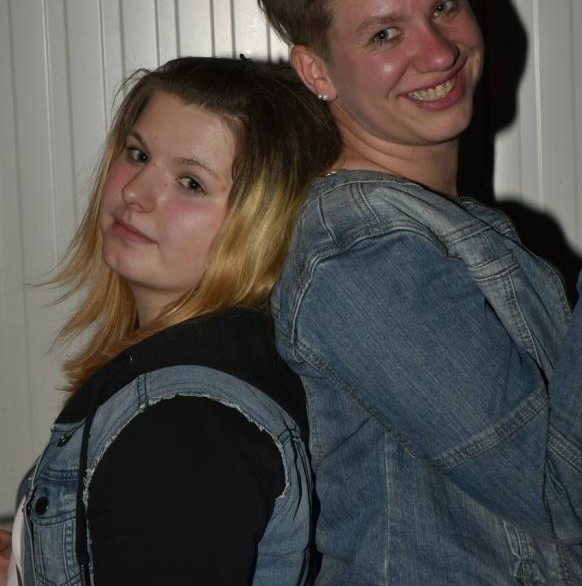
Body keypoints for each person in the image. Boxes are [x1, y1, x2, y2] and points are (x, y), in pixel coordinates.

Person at [258, 0, 582, 584]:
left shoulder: (427, 224)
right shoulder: (363, 252)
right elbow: (561, 496)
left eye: (444, 6)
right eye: (385, 34)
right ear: (317, 70)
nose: (439, 53)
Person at [0, 56, 340, 586]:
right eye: (138, 154)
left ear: (263, 222)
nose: (134, 192)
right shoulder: (212, 373)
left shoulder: (181, 421)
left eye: (190, 183)